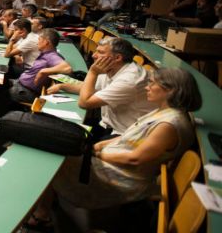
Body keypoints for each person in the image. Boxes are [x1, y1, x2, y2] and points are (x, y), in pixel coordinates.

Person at [30, 68, 201, 224]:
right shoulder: (163, 111)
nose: (147, 87)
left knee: (51, 157)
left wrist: (97, 154)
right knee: (54, 148)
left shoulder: (169, 125)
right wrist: (101, 144)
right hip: (111, 163)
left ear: (170, 90)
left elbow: (135, 159)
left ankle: (42, 213)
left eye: (152, 83)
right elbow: (130, 136)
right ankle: (43, 210)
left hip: (118, 177)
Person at [47, 36, 154, 136]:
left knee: (65, 138)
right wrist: (62, 87)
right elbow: (88, 88)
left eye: (100, 52)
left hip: (126, 134)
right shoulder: (111, 67)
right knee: (58, 128)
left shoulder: (130, 80)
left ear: (117, 57)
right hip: (108, 125)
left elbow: (84, 103)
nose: (94, 55)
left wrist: (92, 72)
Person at [8, 29, 72, 102]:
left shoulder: (51, 56)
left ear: (46, 42)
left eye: (39, 39)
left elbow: (67, 68)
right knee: (0, 82)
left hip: (26, 91)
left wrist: (43, 71)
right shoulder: (46, 53)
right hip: (20, 83)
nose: (37, 43)